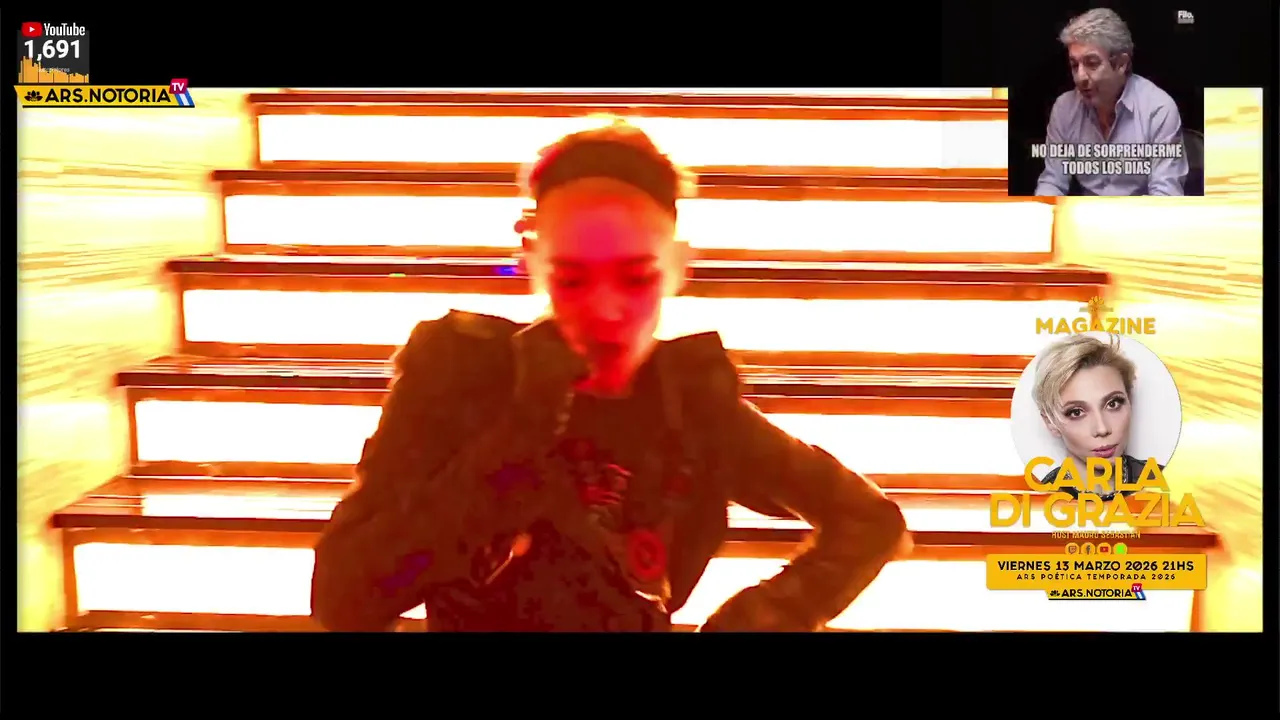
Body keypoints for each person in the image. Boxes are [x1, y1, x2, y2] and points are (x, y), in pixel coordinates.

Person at [310, 119, 911, 632]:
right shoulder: (463, 375)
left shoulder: (689, 401)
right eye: (572, 279)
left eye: (636, 277)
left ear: (678, 268)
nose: (605, 310)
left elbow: (869, 521)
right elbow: (344, 596)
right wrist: (515, 439)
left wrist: (756, 620)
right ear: (533, 264)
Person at [1034, 8, 1190, 197]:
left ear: (1121, 64)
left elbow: (1165, 196)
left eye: (1092, 63)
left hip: (1139, 214)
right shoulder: (1064, 108)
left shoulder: (1158, 110)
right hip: (1085, 214)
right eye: (1074, 65)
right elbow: (1052, 182)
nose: (1080, 77)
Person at [1032, 334, 1152, 499]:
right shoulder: (1038, 498)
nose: (1102, 429)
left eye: (1113, 404)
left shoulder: (1164, 483)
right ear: (1050, 422)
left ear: (1129, 400)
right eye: (1076, 412)